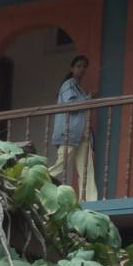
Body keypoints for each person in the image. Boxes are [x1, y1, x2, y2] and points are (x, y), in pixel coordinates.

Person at [50, 53, 97, 201]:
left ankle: (91, 201)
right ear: (72, 68)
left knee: (86, 169)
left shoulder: (79, 88)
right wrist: (89, 98)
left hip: (82, 135)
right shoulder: (68, 85)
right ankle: (39, 181)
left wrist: (87, 97)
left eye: (84, 66)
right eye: (79, 66)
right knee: (60, 164)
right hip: (70, 133)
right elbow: (72, 106)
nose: (82, 69)